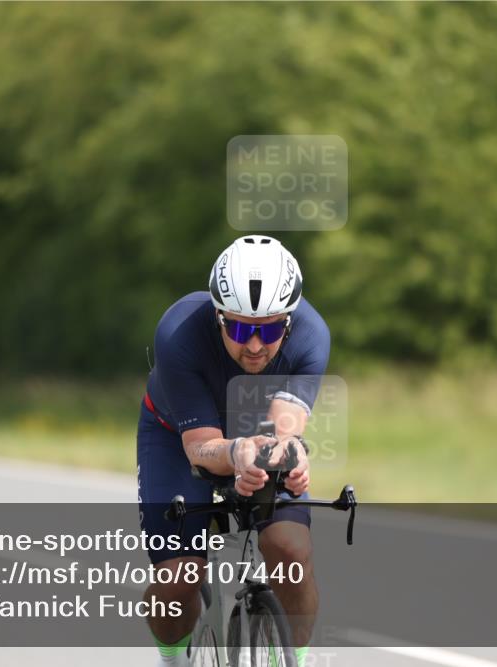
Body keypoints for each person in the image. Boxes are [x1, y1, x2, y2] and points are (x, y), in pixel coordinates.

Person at [137, 235, 330, 667]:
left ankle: (292, 659)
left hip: (254, 432)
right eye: (241, 329)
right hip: (177, 436)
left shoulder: (312, 336)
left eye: (271, 330)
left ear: (291, 322)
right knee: (179, 578)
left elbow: (284, 427)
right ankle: (173, 659)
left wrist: (292, 455)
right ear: (219, 316)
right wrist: (238, 450)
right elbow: (200, 447)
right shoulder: (179, 332)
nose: (256, 346)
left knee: (291, 550)